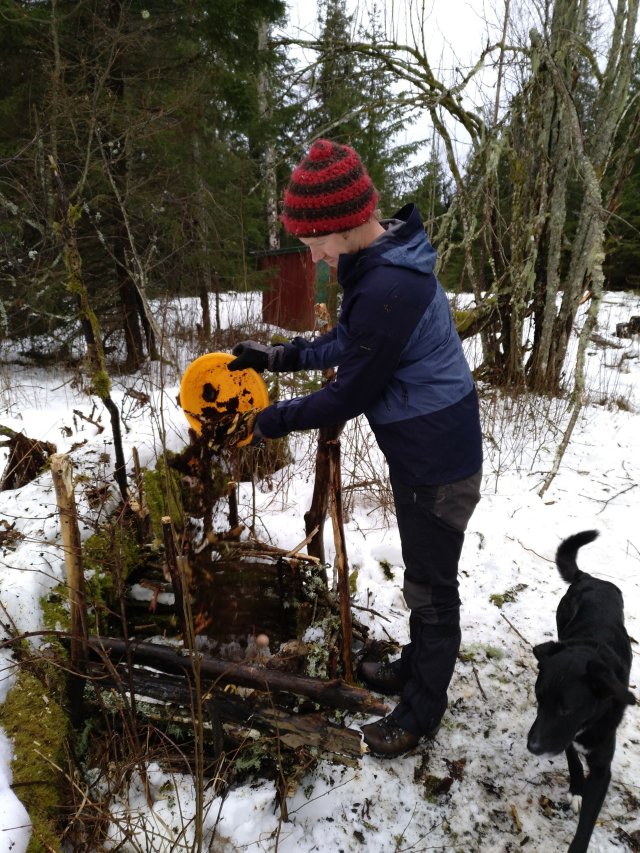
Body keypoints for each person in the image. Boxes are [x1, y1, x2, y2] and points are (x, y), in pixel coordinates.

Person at [228, 138, 483, 758]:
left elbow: (349, 392)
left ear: (343, 224)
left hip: (437, 460)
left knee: (432, 588)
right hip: (423, 448)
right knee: (424, 577)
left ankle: (419, 713)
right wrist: (279, 356)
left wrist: (269, 420)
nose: (312, 255)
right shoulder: (381, 262)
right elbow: (351, 341)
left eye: (314, 241)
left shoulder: (390, 284)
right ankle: (414, 668)